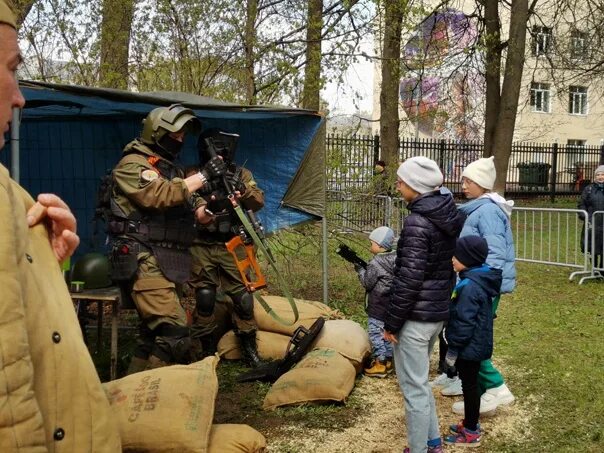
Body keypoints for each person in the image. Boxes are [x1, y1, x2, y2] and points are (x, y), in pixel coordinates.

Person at [0, 2, 121, 449]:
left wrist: (46, 270)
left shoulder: (13, 194)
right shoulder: (136, 166)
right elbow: (8, 409)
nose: (20, 97)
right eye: (11, 70)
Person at [107, 104, 226, 372]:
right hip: (142, 258)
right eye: (175, 135)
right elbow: (159, 194)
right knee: (175, 332)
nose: (180, 140)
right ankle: (156, 393)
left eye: (183, 135)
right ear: (156, 133)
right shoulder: (132, 165)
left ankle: (131, 397)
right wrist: (204, 175)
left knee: (151, 337)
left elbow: (196, 208)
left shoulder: (170, 169)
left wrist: (211, 208)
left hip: (167, 259)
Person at [384, 156, 465, 453]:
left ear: (415, 186)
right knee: (421, 383)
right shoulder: (445, 214)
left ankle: (417, 449)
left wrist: (392, 323)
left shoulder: (418, 222)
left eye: (401, 181)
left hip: (415, 318)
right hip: (435, 314)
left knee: (413, 389)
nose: (397, 185)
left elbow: (409, 278)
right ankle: (432, 443)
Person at [444, 155, 516, 415]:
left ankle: (496, 388)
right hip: (476, 280)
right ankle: (468, 382)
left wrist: (483, 285)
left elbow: (495, 252)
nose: (464, 184)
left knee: (475, 336)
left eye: (469, 180)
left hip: (483, 284)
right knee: (473, 334)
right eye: (463, 179)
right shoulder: (479, 207)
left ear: (482, 183)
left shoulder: (488, 211)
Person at [189, 128, 265, 367]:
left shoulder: (240, 173)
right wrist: (205, 187)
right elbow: (187, 201)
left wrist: (241, 191)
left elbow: (259, 201)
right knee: (205, 296)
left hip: (233, 243)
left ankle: (249, 349)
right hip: (202, 244)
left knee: (243, 297)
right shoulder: (194, 174)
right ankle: (207, 351)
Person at [443, 236, 502, 447]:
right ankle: (471, 423)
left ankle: (471, 432)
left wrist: (453, 350)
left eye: (456, 256)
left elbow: (463, 322)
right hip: (477, 343)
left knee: (470, 386)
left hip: (469, 346)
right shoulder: (478, 279)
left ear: (467, 258)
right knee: (471, 385)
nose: (452, 259)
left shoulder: (469, 286)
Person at [355, 226, 396, 378]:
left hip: (377, 305)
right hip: (390, 304)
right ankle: (389, 362)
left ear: (379, 245)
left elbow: (367, 283)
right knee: (387, 333)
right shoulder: (395, 258)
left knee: (375, 333)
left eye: (372, 243)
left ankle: (380, 363)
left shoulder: (376, 263)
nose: (370, 246)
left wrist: (360, 271)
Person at [578, 165, 604, 269]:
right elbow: (582, 204)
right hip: (592, 222)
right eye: (598, 174)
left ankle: (602, 269)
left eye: (602, 174)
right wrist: (584, 216)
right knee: (591, 245)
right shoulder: (588, 189)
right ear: (595, 176)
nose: (600, 177)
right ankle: (594, 267)